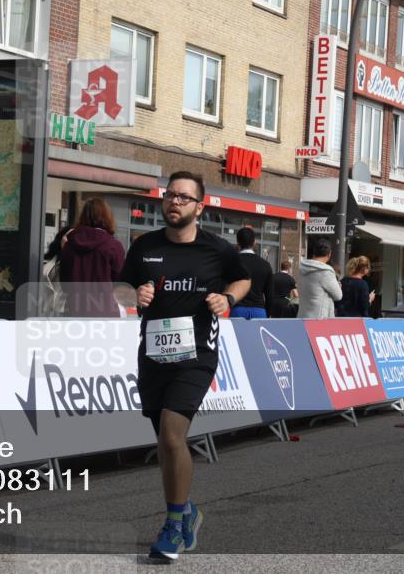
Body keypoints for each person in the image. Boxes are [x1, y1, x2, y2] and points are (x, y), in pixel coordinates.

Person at [118, 171, 250, 561]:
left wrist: (227, 299)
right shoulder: (144, 246)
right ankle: (187, 510)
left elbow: (242, 280)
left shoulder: (217, 249)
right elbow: (119, 288)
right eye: (170, 195)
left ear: (199, 207)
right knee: (164, 440)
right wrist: (134, 294)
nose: (174, 202)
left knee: (173, 435)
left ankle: (174, 525)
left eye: (183, 197)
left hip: (197, 357)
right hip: (153, 356)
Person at [59, 198, 125, 317]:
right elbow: (120, 283)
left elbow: (64, 285)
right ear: (107, 217)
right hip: (105, 313)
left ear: (83, 217)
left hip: (74, 311)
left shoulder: (69, 245)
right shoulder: (114, 246)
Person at [231, 227, 273, 320]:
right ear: (254, 242)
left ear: (238, 243)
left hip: (238, 309)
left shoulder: (232, 263)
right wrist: (268, 313)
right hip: (259, 311)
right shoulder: (265, 265)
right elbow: (269, 295)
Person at [298, 238, 342, 319]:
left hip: (303, 316)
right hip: (320, 319)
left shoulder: (302, 267)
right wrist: (338, 284)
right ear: (329, 254)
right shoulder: (325, 271)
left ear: (314, 252)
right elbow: (338, 295)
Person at [41, 226, 72, 317]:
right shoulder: (48, 260)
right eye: (68, 237)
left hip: (65, 312)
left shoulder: (77, 263)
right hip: (43, 311)